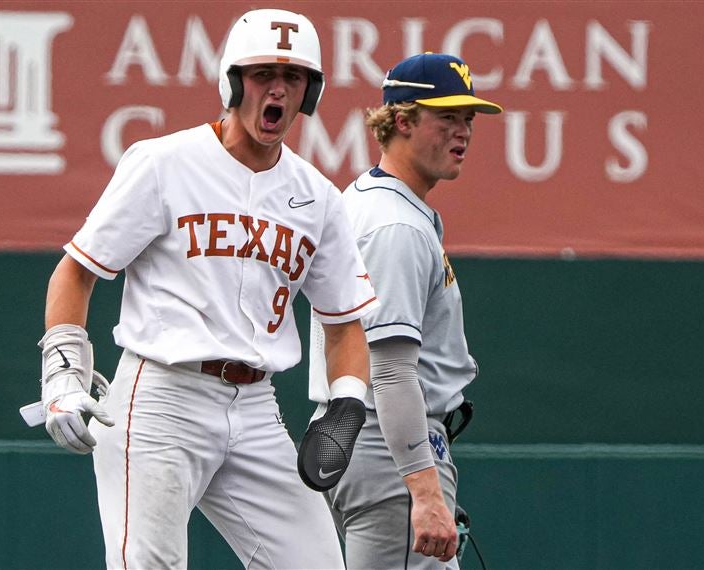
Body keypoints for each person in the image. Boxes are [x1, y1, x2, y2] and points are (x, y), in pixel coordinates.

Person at [37, 9, 378, 569]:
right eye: (263, 72)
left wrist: (345, 404)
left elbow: (344, 324)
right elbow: (76, 272)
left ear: (310, 92)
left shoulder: (318, 197)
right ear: (232, 81)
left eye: (293, 78)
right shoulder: (164, 163)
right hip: (162, 397)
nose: (277, 89)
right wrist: (64, 371)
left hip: (257, 406)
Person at [306, 52, 502, 568]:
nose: (462, 132)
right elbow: (390, 371)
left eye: (468, 119)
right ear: (401, 119)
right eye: (446, 117)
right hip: (386, 446)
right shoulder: (397, 225)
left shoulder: (368, 199)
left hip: (366, 440)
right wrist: (426, 490)